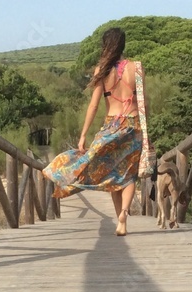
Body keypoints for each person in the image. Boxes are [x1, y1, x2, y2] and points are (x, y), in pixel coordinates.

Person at [42, 27, 143, 236]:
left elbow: (94, 106)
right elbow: (143, 104)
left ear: (106, 46)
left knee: (112, 174)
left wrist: (83, 135)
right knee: (128, 174)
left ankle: (119, 220)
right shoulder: (137, 68)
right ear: (123, 44)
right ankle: (123, 214)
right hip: (134, 126)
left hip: (111, 126)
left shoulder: (102, 71)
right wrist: (147, 134)